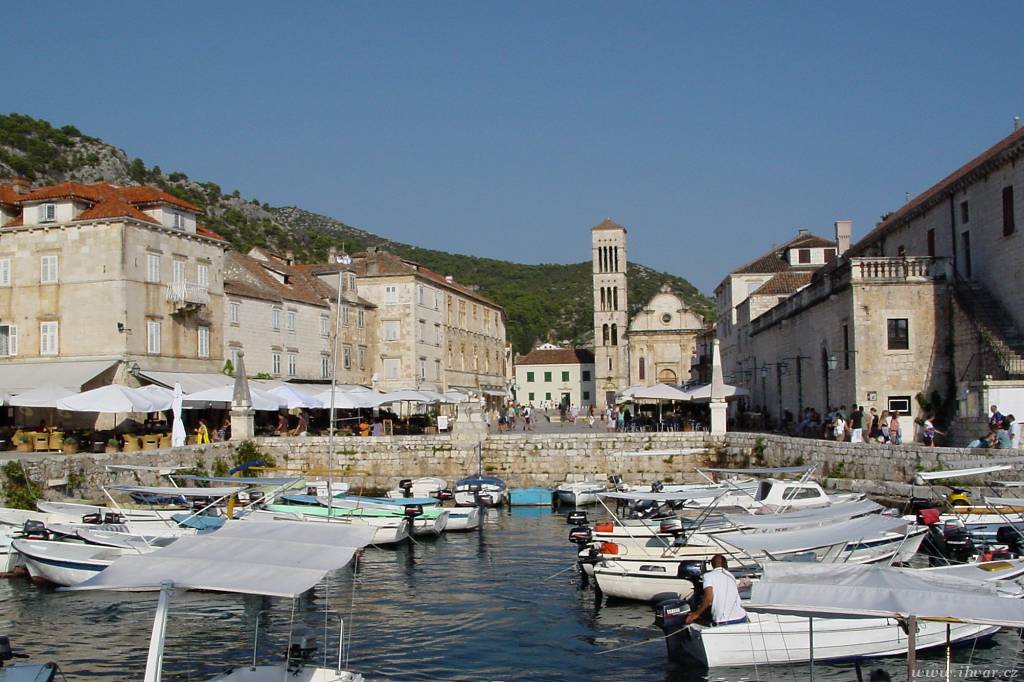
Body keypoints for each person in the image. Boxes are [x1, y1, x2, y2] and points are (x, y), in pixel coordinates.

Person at [685, 554, 748, 626]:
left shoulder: (708, 576)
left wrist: (696, 613)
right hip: (742, 616)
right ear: (725, 564)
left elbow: (709, 597)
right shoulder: (730, 575)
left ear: (712, 565)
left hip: (724, 620)